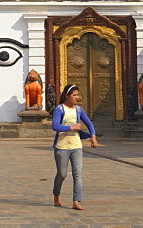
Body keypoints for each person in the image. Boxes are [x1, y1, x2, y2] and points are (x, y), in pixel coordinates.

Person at [51, 83, 98, 211]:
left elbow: (89, 124)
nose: (77, 97)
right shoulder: (60, 109)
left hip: (76, 145)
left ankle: (76, 201)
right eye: (74, 95)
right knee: (62, 174)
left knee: (77, 174)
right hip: (62, 146)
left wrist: (93, 136)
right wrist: (70, 127)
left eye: (78, 95)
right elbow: (55, 126)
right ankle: (56, 195)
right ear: (67, 96)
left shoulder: (78, 110)